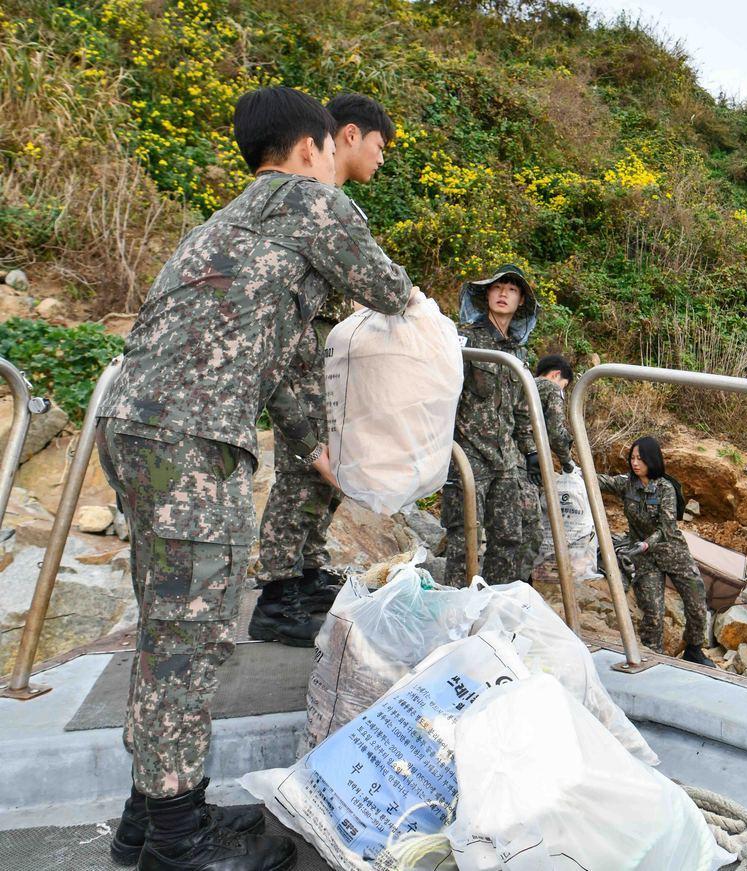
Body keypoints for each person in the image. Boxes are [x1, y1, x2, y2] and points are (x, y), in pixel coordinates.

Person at [96, 86, 413, 871]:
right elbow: (393, 293)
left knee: (171, 631)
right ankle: (177, 842)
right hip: (188, 442)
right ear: (313, 147)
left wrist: (312, 446)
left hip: (140, 427)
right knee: (188, 642)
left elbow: (268, 359)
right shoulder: (312, 203)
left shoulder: (234, 221)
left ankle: (154, 812)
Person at [249, 93, 396, 647]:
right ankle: (276, 598)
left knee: (322, 482)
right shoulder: (314, 197)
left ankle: (305, 575)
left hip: (321, 365)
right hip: (296, 360)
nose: (381, 159)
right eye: (380, 146)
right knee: (300, 476)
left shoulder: (322, 196)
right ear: (350, 136)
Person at [442, 264, 543, 586]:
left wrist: (531, 453)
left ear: (520, 300)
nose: (503, 294)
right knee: (464, 537)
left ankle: (494, 609)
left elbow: (521, 409)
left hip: (506, 458)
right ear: (486, 293)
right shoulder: (465, 338)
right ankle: (456, 611)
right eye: (498, 287)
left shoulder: (519, 352)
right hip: (468, 452)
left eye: (512, 290)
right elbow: (443, 391)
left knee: (510, 538)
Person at [598, 436, 709, 665]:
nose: (635, 463)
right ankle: (652, 658)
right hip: (644, 559)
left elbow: (665, 528)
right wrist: (571, 472)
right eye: (633, 458)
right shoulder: (626, 484)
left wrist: (647, 543)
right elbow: (598, 481)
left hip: (672, 552)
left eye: (641, 458)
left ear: (652, 460)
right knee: (653, 614)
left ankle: (694, 649)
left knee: (697, 603)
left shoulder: (665, 488)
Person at [533, 354, 577, 473]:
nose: (562, 389)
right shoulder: (552, 388)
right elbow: (555, 431)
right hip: (530, 452)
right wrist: (567, 460)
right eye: (564, 385)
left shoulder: (526, 382)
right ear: (556, 374)